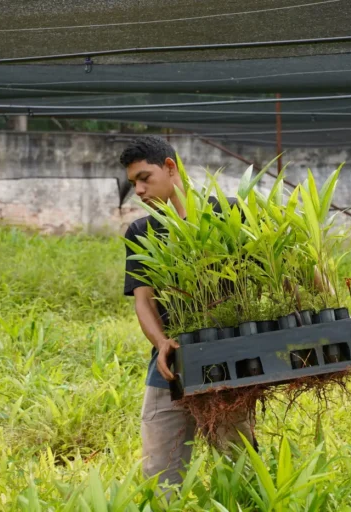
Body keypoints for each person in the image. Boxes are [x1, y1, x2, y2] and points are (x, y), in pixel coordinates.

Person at [120, 136, 254, 486]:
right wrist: (161, 341)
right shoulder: (143, 232)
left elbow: (283, 261)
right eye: (133, 183)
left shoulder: (227, 213)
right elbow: (143, 299)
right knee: (160, 469)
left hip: (231, 354)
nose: (139, 190)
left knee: (240, 461)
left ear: (170, 167)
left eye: (145, 178)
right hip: (172, 361)